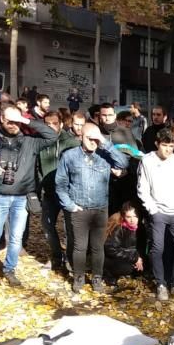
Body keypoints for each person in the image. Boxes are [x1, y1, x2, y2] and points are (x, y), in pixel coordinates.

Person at [0, 104, 57, 286]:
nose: (13, 124)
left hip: (22, 197)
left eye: (16, 120)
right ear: (1, 119)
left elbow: (52, 135)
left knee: (16, 238)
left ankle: (10, 270)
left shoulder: (30, 141)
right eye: (9, 120)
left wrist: (26, 120)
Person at [54, 122, 128, 293]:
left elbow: (123, 163)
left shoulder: (104, 154)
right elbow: (60, 183)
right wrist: (70, 205)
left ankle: (97, 278)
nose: (93, 142)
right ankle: (78, 277)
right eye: (89, 138)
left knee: (97, 247)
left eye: (96, 138)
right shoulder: (70, 156)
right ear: (81, 136)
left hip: (100, 208)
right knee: (80, 246)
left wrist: (104, 141)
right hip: (79, 208)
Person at [137, 128, 174, 301]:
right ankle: (160, 283)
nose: (168, 149)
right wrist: (152, 209)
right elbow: (142, 187)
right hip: (157, 211)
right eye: (165, 145)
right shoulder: (147, 160)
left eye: (171, 146)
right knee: (157, 249)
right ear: (157, 144)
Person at [37, 110, 81, 274]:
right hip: (48, 192)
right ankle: (57, 256)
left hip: (68, 193)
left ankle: (70, 260)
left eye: (54, 123)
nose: (50, 126)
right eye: (47, 124)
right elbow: (37, 168)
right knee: (47, 226)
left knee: (69, 229)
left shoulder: (70, 142)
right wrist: (37, 189)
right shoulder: (40, 142)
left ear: (61, 124)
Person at [102, 201, 143, 285]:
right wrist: (135, 258)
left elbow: (140, 247)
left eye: (135, 216)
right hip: (113, 259)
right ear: (124, 217)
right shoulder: (119, 228)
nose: (132, 220)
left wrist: (139, 258)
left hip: (130, 257)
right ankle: (108, 274)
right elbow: (111, 249)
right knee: (127, 268)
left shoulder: (141, 228)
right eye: (128, 217)